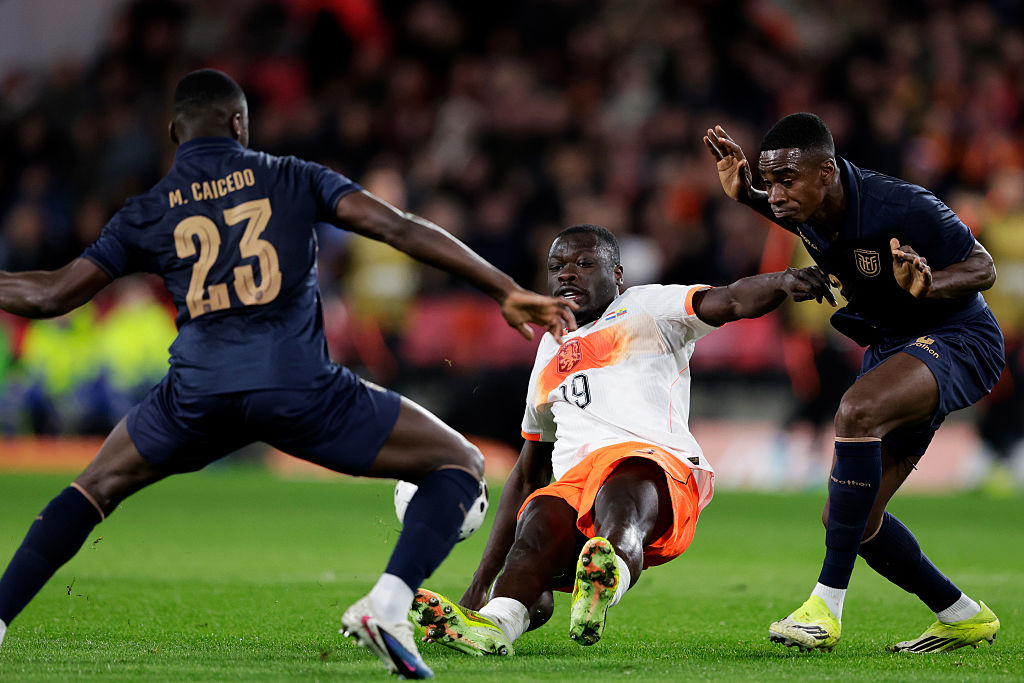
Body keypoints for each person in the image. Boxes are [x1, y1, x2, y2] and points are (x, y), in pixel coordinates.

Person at [0, 69, 577, 680]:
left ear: (173, 133)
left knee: (92, 489)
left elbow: (53, 294)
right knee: (458, 463)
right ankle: (387, 605)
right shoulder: (292, 176)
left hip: (195, 394)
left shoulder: (147, 210)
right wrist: (504, 288)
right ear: (239, 125)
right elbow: (398, 226)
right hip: (298, 387)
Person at [404, 223, 836, 655]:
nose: (567, 273)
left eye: (583, 263)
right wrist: (479, 585)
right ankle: (497, 623)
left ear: (617, 274)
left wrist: (782, 281)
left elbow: (733, 299)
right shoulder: (548, 350)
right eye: (556, 266)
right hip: (577, 487)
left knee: (621, 491)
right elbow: (527, 472)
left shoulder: (647, 306)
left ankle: (604, 577)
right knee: (538, 518)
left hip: (655, 467)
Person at [704, 113, 1004, 653]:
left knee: (856, 409)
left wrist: (930, 285)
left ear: (826, 172)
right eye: (769, 182)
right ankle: (961, 614)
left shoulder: (903, 206)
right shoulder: (807, 206)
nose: (776, 196)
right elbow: (785, 208)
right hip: (896, 345)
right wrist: (746, 193)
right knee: (852, 519)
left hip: (959, 336)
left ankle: (824, 608)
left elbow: (983, 269)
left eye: (785, 180)